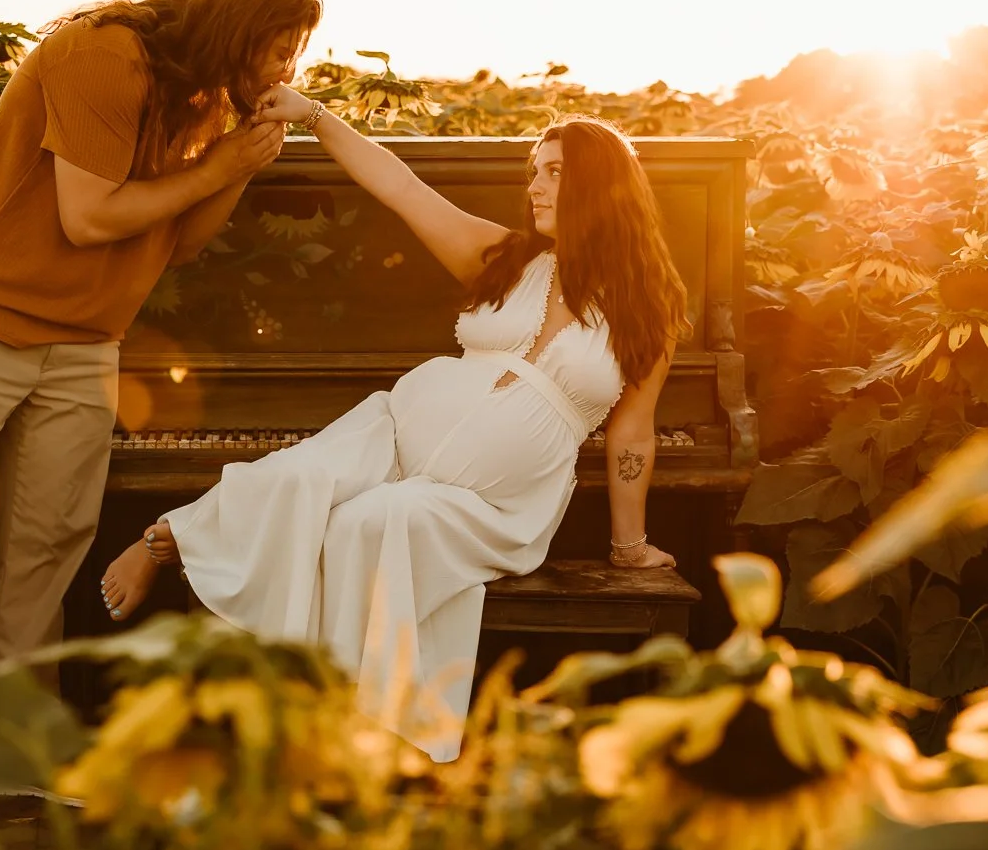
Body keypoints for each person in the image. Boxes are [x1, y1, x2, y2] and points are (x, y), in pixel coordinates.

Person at [99, 96, 687, 760]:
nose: (534, 185)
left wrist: (628, 544)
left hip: (493, 505)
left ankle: (341, 738)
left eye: (552, 171)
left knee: (374, 521)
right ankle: (164, 539)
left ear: (598, 183)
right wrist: (312, 114)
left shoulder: (647, 305)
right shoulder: (507, 257)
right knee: (301, 476)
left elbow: (631, 431)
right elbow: (400, 186)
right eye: (535, 170)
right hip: (397, 425)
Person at [0, 0, 322, 670]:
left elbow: (179, 242)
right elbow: (88, 217)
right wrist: (216, 170)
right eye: (280, 50)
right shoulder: (104, 54)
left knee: (49, 545)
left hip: (87, 335)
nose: (289, 68)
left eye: (295, 54)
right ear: (239, 33)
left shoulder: (209, 97)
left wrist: (240, 160)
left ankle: (19, 746)